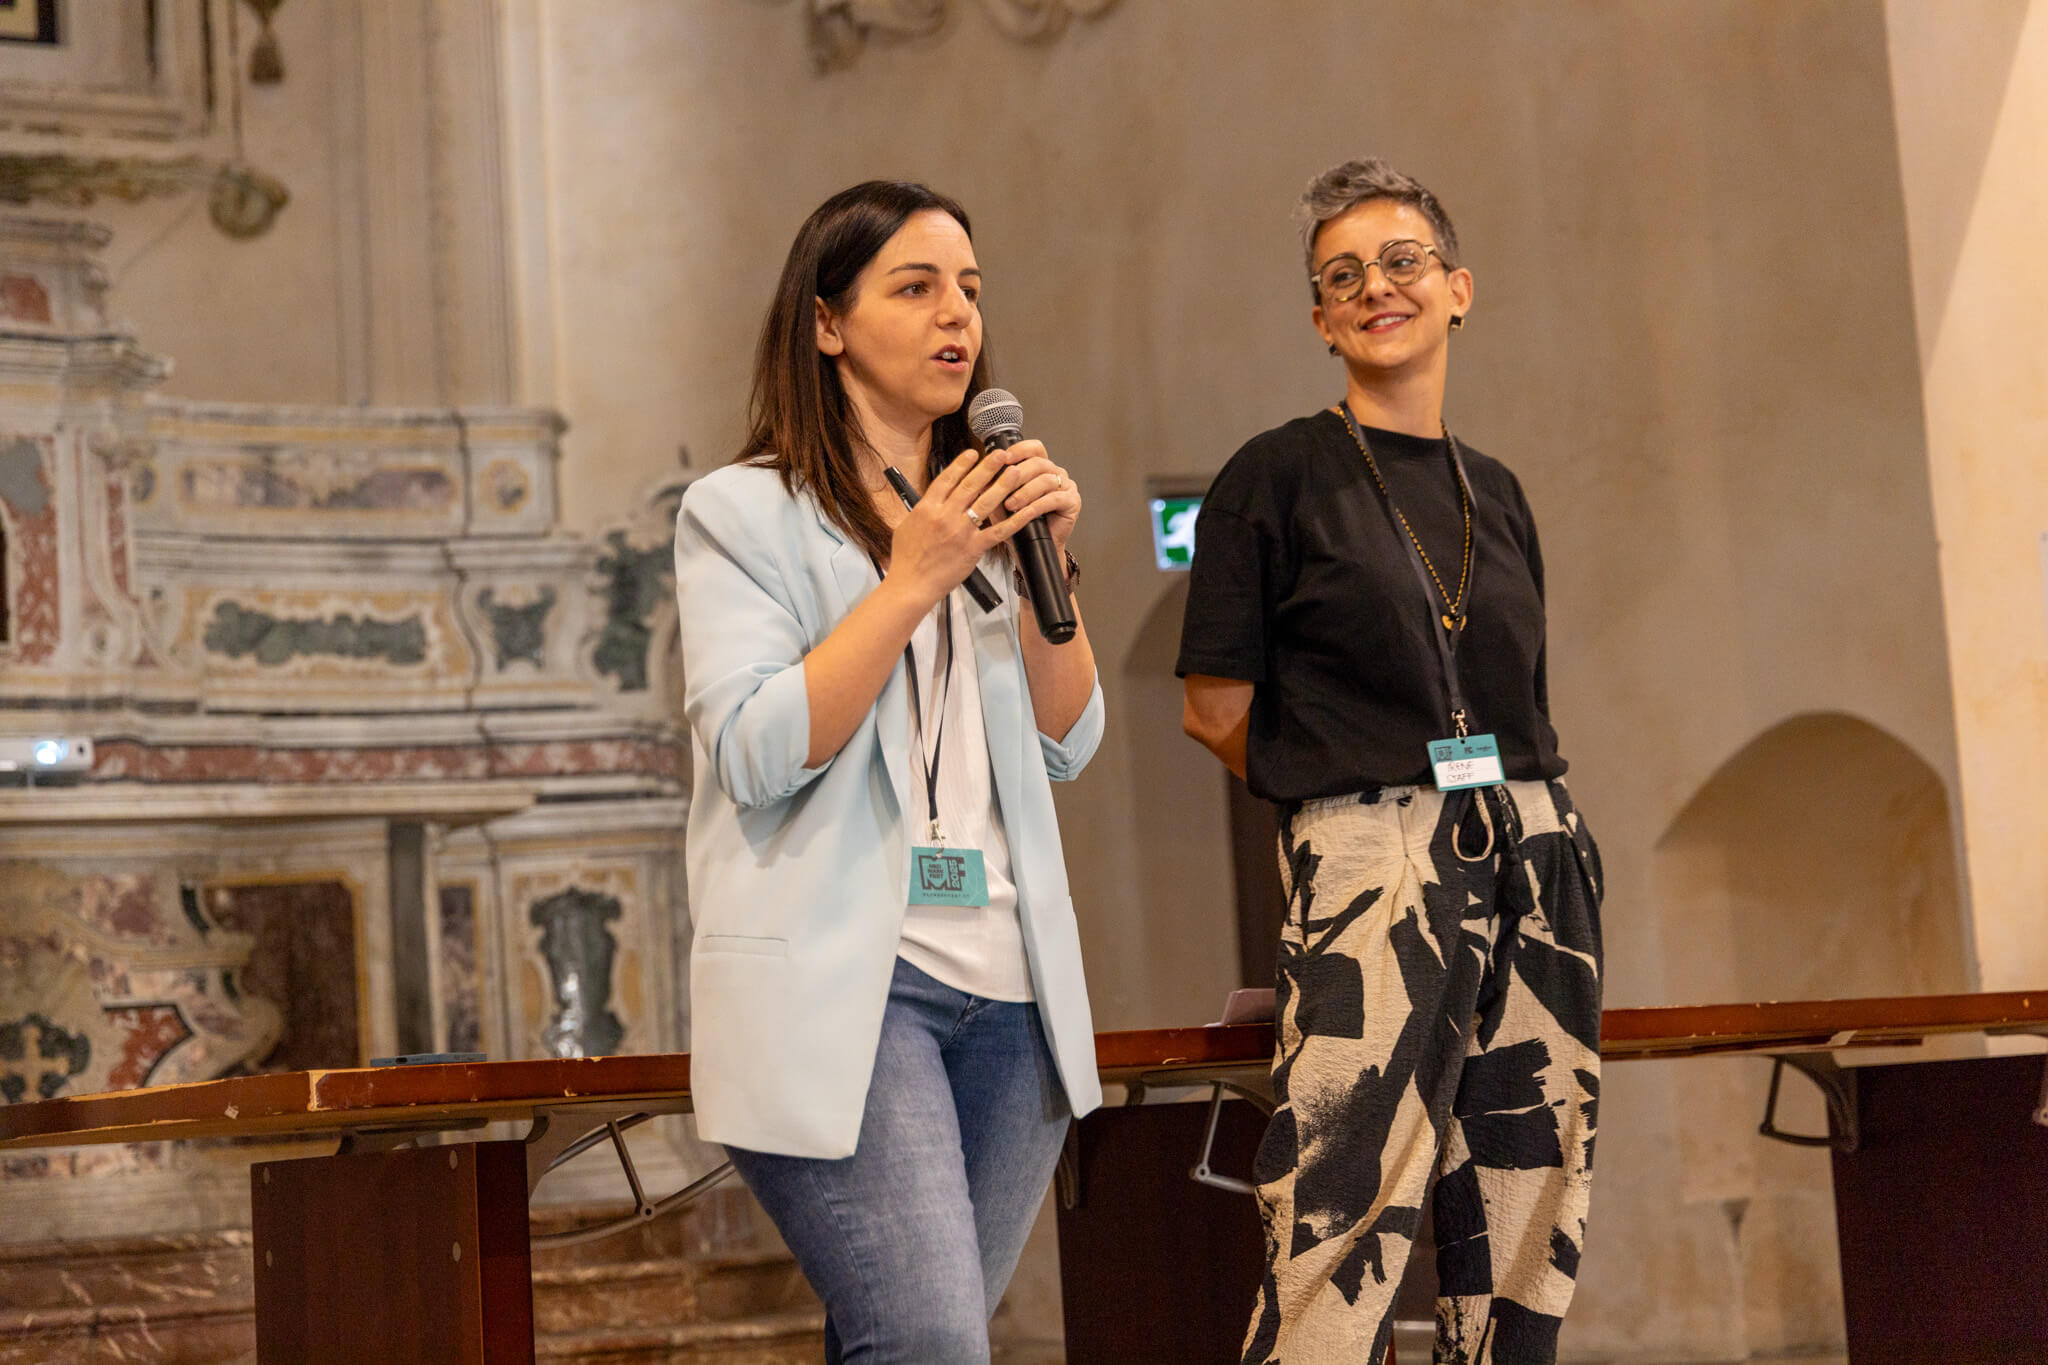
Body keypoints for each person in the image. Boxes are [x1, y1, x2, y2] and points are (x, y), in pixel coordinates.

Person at [1178, 159, 1605, 1363]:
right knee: (1342, 1208)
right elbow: (1212, 709)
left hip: (1532, 844)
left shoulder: (1495, 490)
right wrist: (1349, 813)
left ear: (1457, 288)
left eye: (1402, 261)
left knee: (1530, 1204)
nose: (1376, 287)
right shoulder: (1275, 474)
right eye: (1343, 275)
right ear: (1320, 320)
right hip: (1373, 850)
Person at [671, 180, 1103, 1364]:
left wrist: (1049, 568)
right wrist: (910, 579)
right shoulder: (743, 512)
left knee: (915, 1340)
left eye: (968, 289)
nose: (954, 314)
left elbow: (1069, 741)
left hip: (1011, 995)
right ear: (826, 323)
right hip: (853, 992)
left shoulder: (985, 513)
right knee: (926, 1343)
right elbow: (756, 750)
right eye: (914, 288)